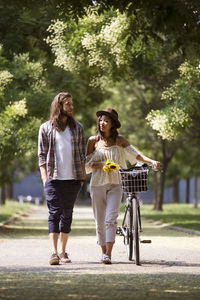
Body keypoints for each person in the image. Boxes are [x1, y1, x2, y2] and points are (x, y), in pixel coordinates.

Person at [86, 108, 160, 264]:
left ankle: (109, 254)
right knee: (99, 220)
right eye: (100, 120)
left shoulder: (120, 140)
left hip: (117, 183)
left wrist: (151, 161)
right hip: (97, 185)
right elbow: (86, 164)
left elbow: (136, 155)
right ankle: (103, 251)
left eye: (106, 121)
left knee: (110, 218)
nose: (102, 123)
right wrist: (102, 164)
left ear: (113, 124)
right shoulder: (93, 141)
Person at [38, 92, 86, 265]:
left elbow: (82, 156)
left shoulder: (77, 128)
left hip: (73, 179)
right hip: (53, 178)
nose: (71, 107)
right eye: (68, 104)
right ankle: (53, 253)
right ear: (59, 106)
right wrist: (45, 179)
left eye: (72, 104)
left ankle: (63, 252)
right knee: (54, 213)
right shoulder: (45, 128)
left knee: (67, 214)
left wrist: (82, 178)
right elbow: (42, 156)